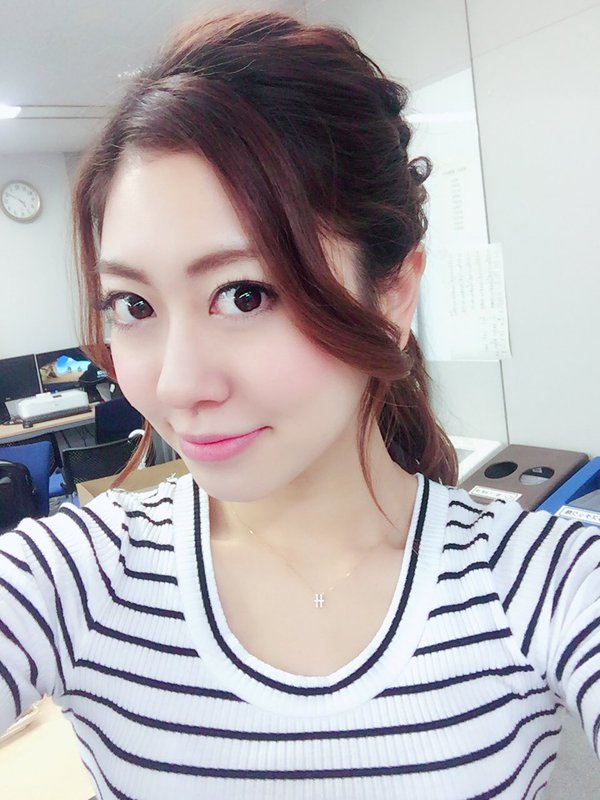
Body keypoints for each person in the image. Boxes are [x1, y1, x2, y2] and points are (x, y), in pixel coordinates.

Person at [1, 9, 599, 799]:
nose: (177, 384)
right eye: (134, 306)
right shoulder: (74, 576)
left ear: (393, 294)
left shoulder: (545, 580)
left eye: (244, 294)